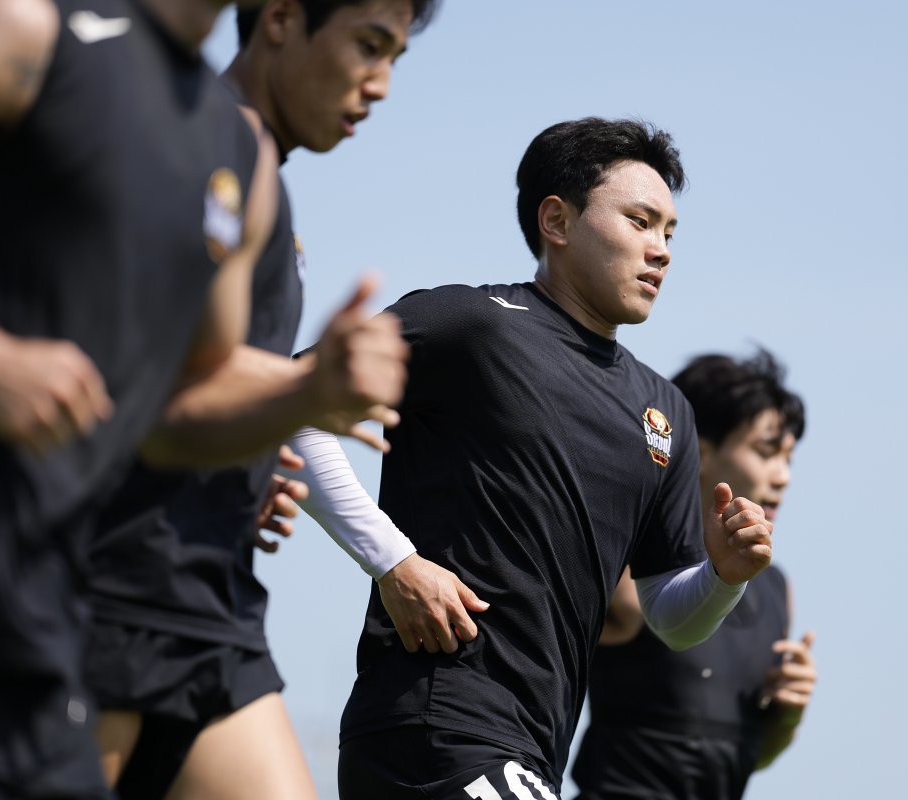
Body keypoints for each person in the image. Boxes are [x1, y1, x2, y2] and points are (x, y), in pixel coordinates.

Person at [0, 0, 403, 796]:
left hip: (72, 616)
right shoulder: (19, 27)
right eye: (371, 45)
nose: (380, 85)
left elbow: (169, 413)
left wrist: (300, 396)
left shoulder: (232, 150)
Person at [330, 117, 777, 800]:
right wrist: (393, 560)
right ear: (557, 221)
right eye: (640, 220)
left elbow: (669, 617)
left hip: (537, 748)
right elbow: (285, 410)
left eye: (670, 232)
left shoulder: (666, 411)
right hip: (433, 725)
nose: (660, 250)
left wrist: (723, 575)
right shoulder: (471, 326)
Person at [84, 1, 442, 798]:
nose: (379, 85)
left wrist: (250, 449)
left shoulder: (256, 182)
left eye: (396, 59)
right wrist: (301, 393)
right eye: (368, 46)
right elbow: (116, 377)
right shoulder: (177, 141)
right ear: (280, 17)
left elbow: (193, 381)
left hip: (214, 609)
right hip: (100, 595)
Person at [571, 349, 817, 800]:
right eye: (766, 452)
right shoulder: (629, 567)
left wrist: (786, 716)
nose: (783, 476)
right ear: (699, 452)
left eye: (789, 458)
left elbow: (743, 751)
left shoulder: (777, 587)